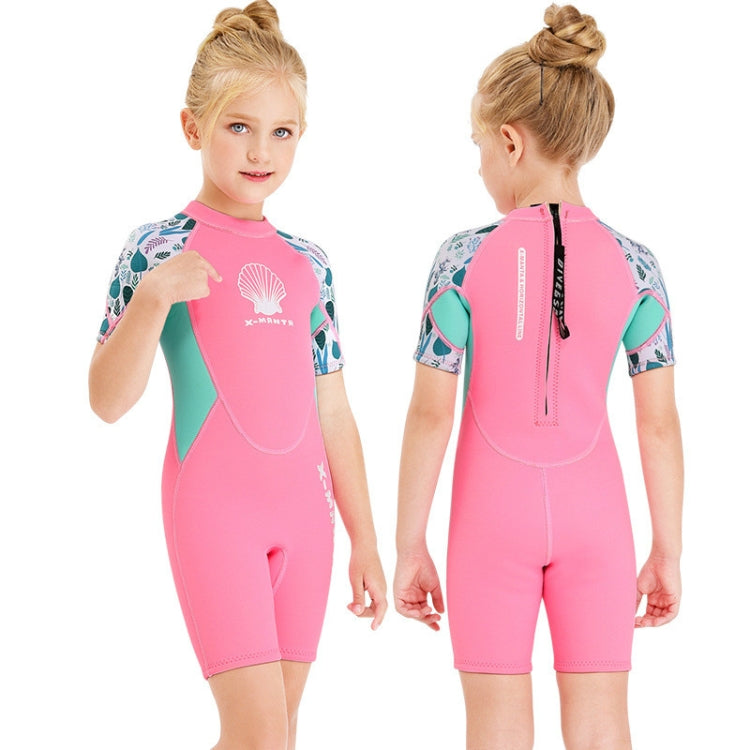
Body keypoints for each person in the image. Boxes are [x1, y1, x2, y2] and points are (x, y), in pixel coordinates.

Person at [88, 3, 386, 748]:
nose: (261, 151)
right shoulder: (157, 248)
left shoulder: (310, 263)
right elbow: (107, 401)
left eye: (282, 131)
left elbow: (334, 411)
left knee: (279, 735)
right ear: (193, 127)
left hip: (308, 520)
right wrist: (153, 298)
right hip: (214, 511)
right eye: (239, 126)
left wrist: (367, 541)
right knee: (256, 733)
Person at [394, 5, 683, 749]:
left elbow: (430, 414)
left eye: (478, 147)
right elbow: (657, 423)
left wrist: (410, 543)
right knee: (603, 728)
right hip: (599, 520)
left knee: (495, 731)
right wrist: (667, 549)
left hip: (489, 521)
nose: (478, 166)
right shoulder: (639, 266)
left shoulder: (460, 259)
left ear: (511, 141)